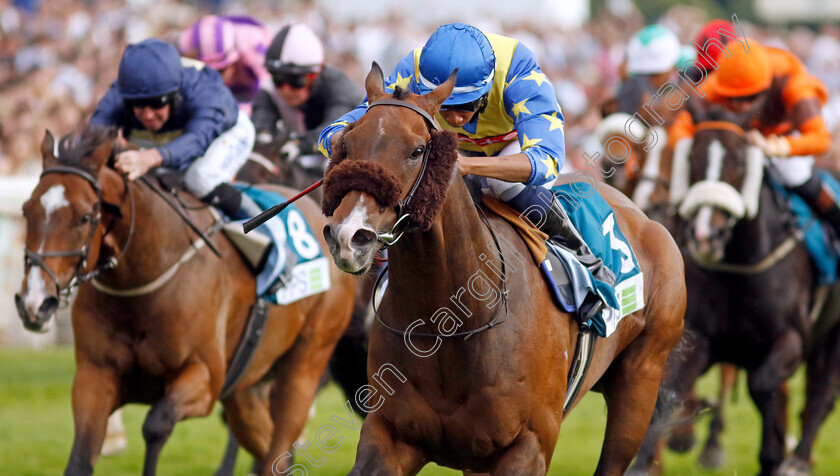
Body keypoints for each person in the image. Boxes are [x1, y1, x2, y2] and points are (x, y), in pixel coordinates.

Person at [319, 22, 610, 285]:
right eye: (446, 107)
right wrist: (338, 139)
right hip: (446, 149)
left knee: (503, 184)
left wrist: (470, 165)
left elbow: (546, 160)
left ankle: (579, 252)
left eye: (468, 106)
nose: (456, 119)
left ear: (485, 91)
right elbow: (358, 120)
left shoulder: (518, 70)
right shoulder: (414, 70)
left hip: (509, 149)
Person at [668, 39, 840, 235]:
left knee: (794, 174)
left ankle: (835, 225)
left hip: (787, 130)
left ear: (767, 88)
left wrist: (774, 147)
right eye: (734, 99)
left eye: (751, 98)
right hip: (746, 137)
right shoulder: (714, 86)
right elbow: (679, 128)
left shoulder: (794, 83)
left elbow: (821, 140)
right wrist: (688, 144)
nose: (742, 107)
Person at [90, 38, 256, 220]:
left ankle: (265, 227)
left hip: (224, 133)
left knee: (199, 178)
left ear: (175, 95)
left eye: (157, 103)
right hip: (169, 137)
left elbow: (197, 140)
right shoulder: (121, 92)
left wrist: (150, 158)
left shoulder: (204, 92)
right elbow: (91, 138)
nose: (148, 115)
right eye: (138, 105)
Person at [251, 22, 363, 171]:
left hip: (351, 152)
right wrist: (264, 137)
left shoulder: (338, 87)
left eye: (296, 81)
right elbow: (261, 124)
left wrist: (301, 144)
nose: (286, 89)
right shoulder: (268, 90)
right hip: (304, 156)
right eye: (278, 80)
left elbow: (333, 129)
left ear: (316, 74)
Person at [178, 15, 273, 115]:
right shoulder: (187, 43)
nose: (214, 78)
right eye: (206, 71)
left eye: (221, 71)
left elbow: (269, 91)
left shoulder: (254, 44)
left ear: (233, 59)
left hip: (250, 89)